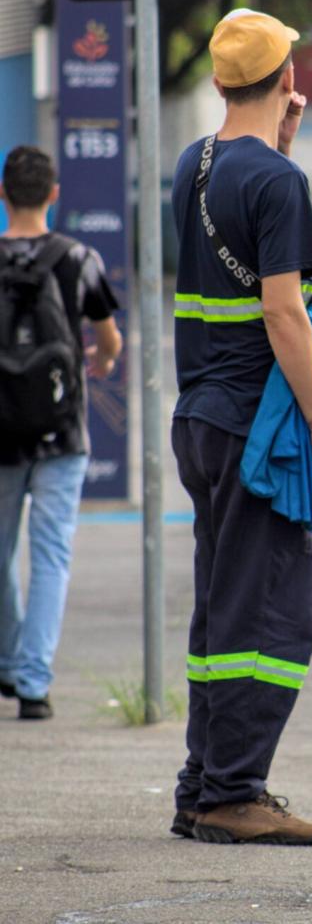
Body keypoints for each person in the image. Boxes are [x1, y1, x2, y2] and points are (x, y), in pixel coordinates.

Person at [169, 9, 312, 846]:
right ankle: (233, 793)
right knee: (271, 615)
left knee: (221, 607)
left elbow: (239, 240)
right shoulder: (277, 183)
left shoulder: (194, 165)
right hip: (256, 430)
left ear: (217, 81)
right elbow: (283, 310)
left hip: (200, 420)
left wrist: (277, 139)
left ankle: (202, 783)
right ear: (285, 79)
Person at [0, 146, 123, 721]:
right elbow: (109, 338)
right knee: (50, 555)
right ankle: (33, 683)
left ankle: (7, 660)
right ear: (54, 194)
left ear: (3, 195)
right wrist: (99, 358)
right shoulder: (79, 257)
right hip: (62, 432)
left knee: (1, 555)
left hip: (1, 434)